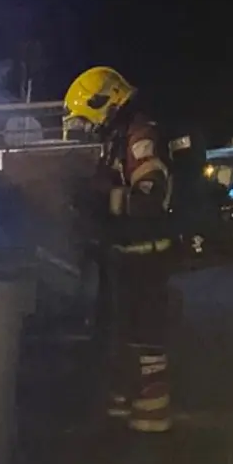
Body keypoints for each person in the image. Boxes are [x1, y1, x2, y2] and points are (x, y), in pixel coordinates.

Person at [63, 67, 176, 434]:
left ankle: (150, 432)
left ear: (104, 103)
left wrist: (101, 200)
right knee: (123, 344)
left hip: (145, 259)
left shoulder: (141, 136)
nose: (83, 125)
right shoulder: (119, 138)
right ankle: (123, 426)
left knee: (145, 346)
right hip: (126, 259)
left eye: (85, 116)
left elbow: (151, 197)